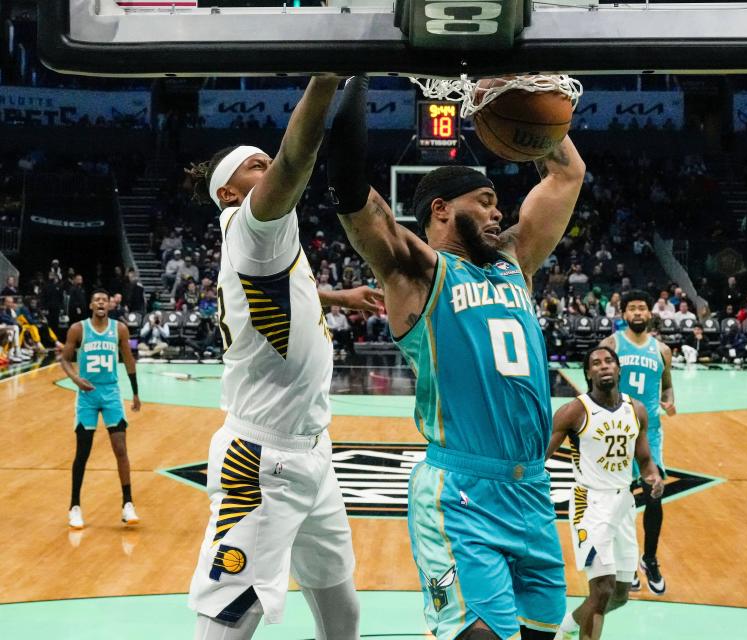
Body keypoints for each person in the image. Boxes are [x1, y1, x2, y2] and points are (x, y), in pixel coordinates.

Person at [328, 75, 585, 640]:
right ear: (442, 209)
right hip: (462, 493)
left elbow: (567, 174)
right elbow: (347, 186)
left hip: (533, 490)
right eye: (486, 202)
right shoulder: (416, 272)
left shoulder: (513, 261)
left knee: (540, 635)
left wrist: (515, 87)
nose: (499, 214)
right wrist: (355, 73)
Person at [182, 76, 382, 640]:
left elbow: (286, 290)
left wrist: (338, 296)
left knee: (342, 611)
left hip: (314, 450)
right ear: (229, 193)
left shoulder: (263, 243)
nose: (269, 170)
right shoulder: (251, 227)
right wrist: (328, 74)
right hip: (261, 457)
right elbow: (299, 154)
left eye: (266, 162)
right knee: (231, 612)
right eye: (256, 166)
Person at [547, 346, 664, 640]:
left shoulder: (635, 409)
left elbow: (645, 459)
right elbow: (538, 456)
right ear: (588, 373)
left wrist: (652, 476)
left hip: (624, 501)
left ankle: (568, 625)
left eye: (609, 361)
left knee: (621, 595)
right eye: (596, 363)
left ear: (619, 368)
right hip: (590, 502)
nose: (603, 366)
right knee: (602, 589)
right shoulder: (574, 411)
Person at [599, 290, 675, 596]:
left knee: (654, 496)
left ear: (650, 313)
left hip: (649, 434)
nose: (638, 313)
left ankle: (649, 559)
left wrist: (669, 402)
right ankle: (627, 563)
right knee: (620, 502)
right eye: (632, 309)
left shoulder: (663, 350)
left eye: (642, 308)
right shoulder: (612, 345)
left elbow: (668, 388)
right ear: (623, 314)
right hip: (618, 431)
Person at [59, 289, 142, 530]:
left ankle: (128, 504)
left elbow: (128, 360)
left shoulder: (120, 329)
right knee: (82, 452)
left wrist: (135, 392)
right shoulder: (78, 329)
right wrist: (76, 379)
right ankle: (74, 506)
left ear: (110, 305)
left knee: (120, 448)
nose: (100, 303)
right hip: (87, 395)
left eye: (104, 300)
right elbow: (64, 359)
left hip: (111, 393)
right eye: (96, 300)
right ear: (91, 305)